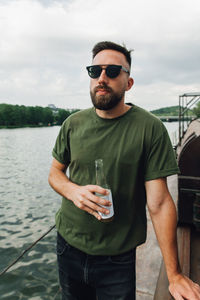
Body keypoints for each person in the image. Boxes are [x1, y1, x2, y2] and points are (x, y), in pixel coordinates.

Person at [48, 41, 200, 300]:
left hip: (117, 258)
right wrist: (74, 191)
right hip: (68, 247)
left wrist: (174, 275)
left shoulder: (149, 128)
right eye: (95, 71)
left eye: (113, 71)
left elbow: (160, 202)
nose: (102, 78)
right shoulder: (72, 124)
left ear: (128, 83)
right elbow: (55, 174)